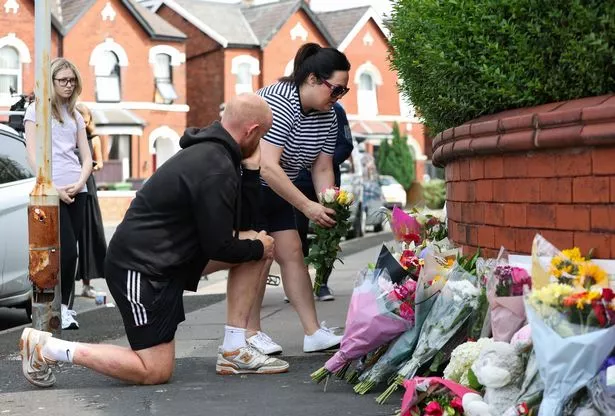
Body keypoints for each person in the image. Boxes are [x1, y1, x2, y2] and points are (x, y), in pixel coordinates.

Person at [19, 94, 288, 389]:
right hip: (140, 270)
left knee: (256, 244)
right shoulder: (214, 166)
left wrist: (251, 172)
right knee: (154, 370)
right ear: (251, 131)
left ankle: (235, 349)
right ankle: (47, 348)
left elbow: (243, 228)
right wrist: (257, 245)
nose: (263, 143)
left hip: (168, 262)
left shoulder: (217, 156)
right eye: (263, 134)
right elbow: (219, 246)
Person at [243, 43, 351, 356]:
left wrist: (330, 206)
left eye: (344, 91)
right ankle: (249, 333)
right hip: (244, 182)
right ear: (314, 79)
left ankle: (313, 332)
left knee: (293, 253)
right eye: (336, 89)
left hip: (276, 184)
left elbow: (322, 166)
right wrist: (307, 206)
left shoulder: (327, 115)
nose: (338, 97)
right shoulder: (280, 101)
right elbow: (266, 164)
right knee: (259, 254)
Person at [24, 58, 92, 330]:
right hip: (50, 192)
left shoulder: (75, 115)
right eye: (62, 80)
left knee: (71, 253)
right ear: (50, 82)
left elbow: (86, 157)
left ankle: (65, 309)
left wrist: (80, 183)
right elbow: (31, 155)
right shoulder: (36, 111)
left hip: (78, 190)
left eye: (72, 80)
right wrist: (53, 188)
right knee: (55, 253)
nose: (68, 85)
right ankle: (46, 307)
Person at [293, 102, 354, 302]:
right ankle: (298, 284)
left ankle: (322, 284)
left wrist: (321, 161)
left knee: (328, 233)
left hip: (326, 182)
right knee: (295, 234)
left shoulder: (336, 110)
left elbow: (346, 145)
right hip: (297, 181)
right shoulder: (293, 108)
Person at [75, 103, 107, 298]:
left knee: (89, 234)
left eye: (85, 119)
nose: (83, 122)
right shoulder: (71, 136)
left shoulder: (94, 139)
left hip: (88, 186)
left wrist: (91, 167)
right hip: (70, 184)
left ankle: (87, 284)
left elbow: (101, 162)